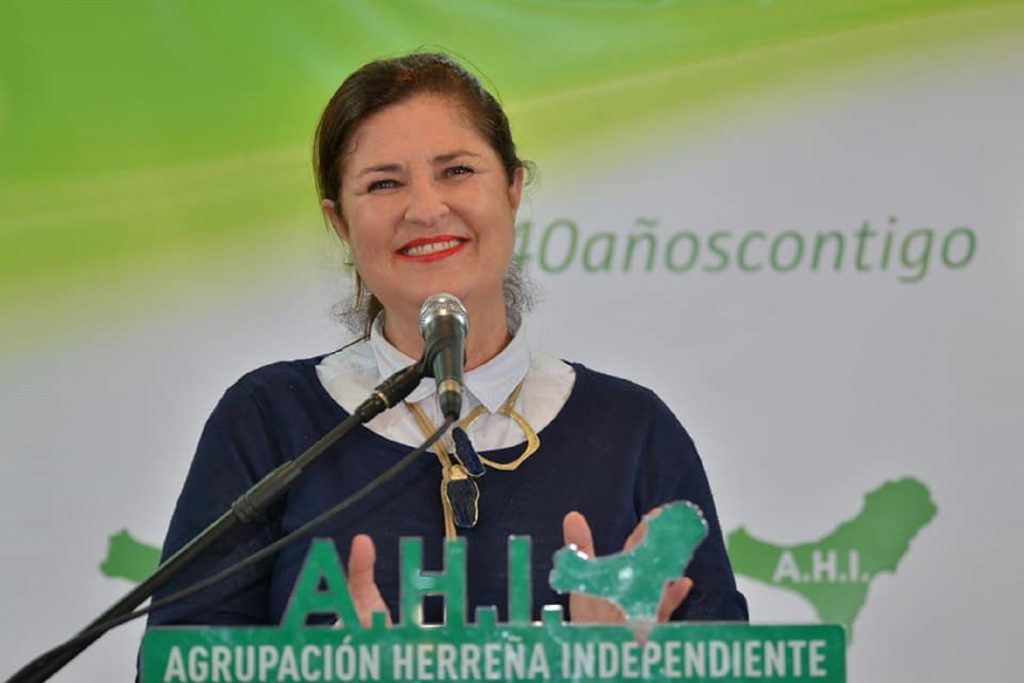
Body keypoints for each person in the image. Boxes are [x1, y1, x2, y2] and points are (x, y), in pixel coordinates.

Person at [147, 53, 747, 630]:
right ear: (340, 223)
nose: (426, 209)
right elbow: (176, 665)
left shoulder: (630, 430)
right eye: (384, 183)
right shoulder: (270, 421)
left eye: (456, 171)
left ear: (512, 190)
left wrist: (615, 671)